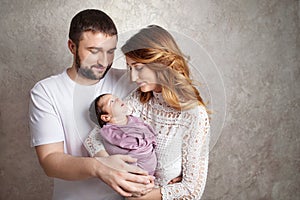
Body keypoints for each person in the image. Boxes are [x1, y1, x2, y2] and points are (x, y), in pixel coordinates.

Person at [29, 9, 154, 200]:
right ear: (72, 46)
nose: (103, 62)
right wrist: (99, 166)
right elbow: (49, 160)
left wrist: (175, 171)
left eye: (110, 52)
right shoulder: (46, 91)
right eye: (94, 51)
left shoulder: (131, 80)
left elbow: (171, 110)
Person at [85, 25, 211, 199]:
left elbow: (192, 190)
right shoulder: (140, 99)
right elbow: (93, 139)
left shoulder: (194, 115)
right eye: (129, 68)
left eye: (138, 67)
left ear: (161, 63)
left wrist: (138, 197)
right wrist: (111, 166)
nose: (132, 77)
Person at [91, 93, 157, 175]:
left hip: (150, 167)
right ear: (106, 117)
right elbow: (130, 146)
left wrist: (150, 140)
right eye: (112, 101)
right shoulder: (110, 132)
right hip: (134, 171)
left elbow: (147, 131)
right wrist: (145, 143)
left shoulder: (133, 119)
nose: (118, 99)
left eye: (116, 97)